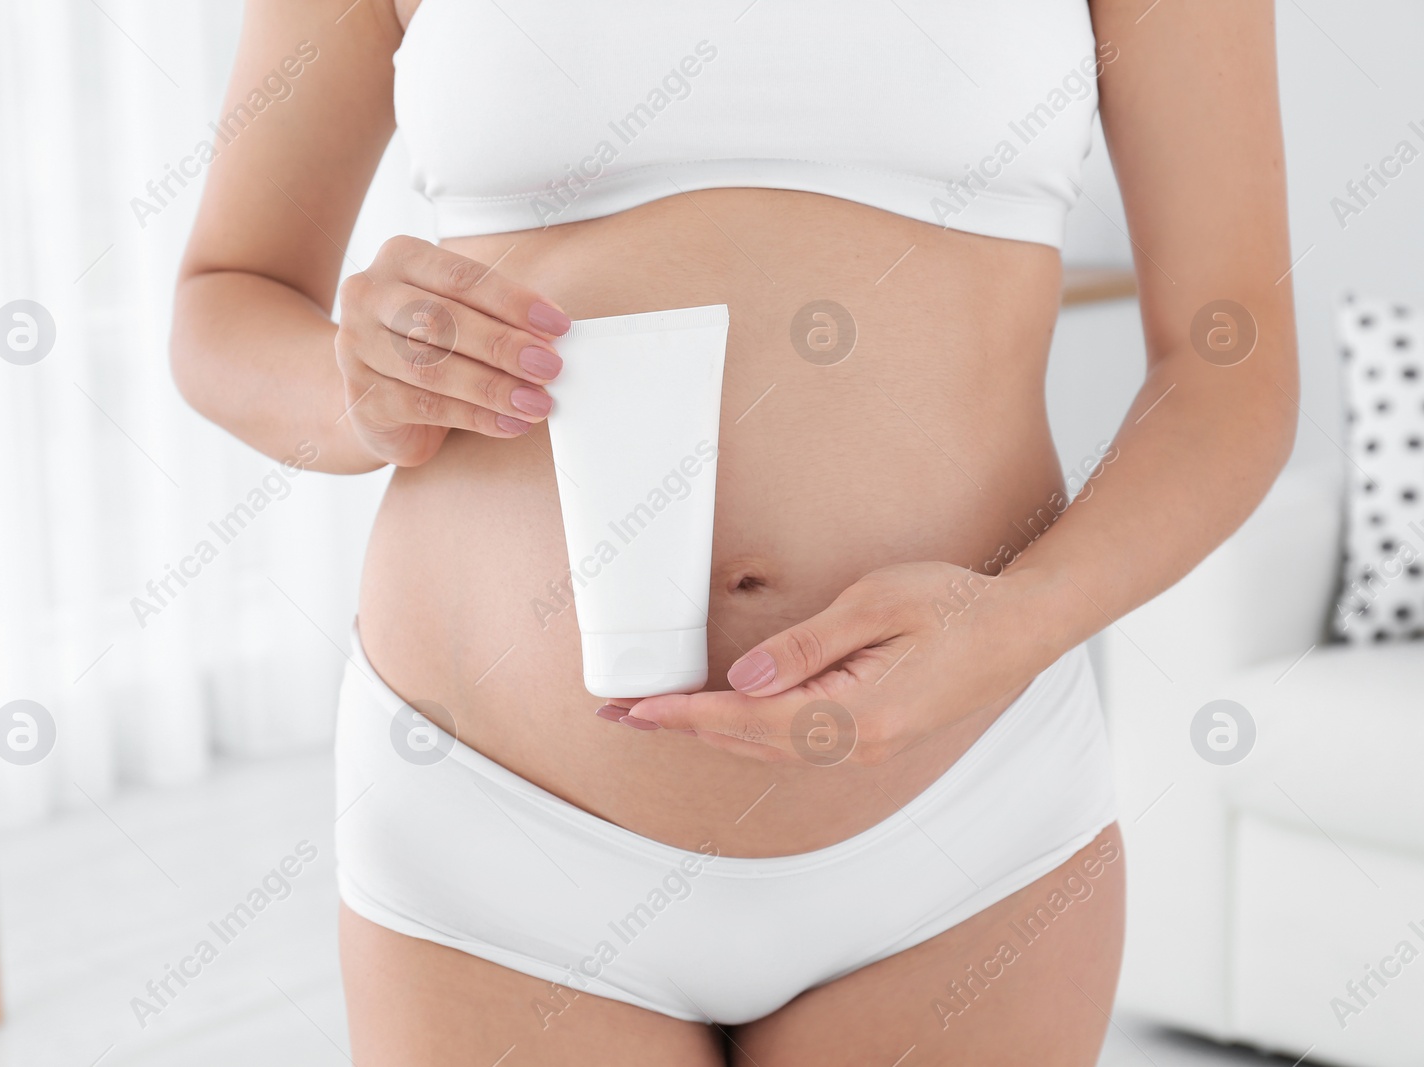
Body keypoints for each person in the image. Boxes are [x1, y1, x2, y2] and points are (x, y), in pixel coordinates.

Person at [171, 1, 1297, 1062]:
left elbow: (1229, 360)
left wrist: (1017, 623)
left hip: (959, 825)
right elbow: (224, 300)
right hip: (497, 831)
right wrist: (350, 384)